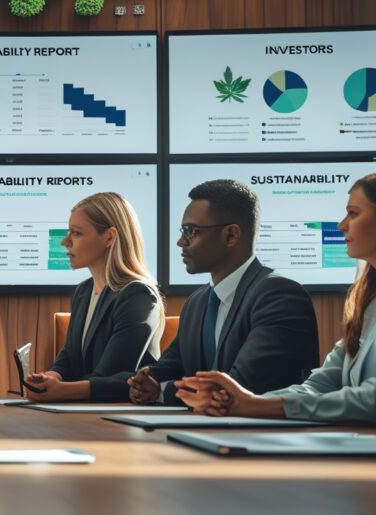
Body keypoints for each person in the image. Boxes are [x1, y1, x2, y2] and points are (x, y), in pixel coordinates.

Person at [175, 174, 376, 422]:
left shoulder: (276, 293)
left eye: (353, 213)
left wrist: (255, 406)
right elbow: (320, 384)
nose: (341, 225)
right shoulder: (366, 305)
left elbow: (370, 399)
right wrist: (250, 403)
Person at [128, 179, 319, 405]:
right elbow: (169, 368)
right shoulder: (196, 302)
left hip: (265, 435)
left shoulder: (279, 296)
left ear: (231, 235)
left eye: (191, 231)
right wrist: (146, 380)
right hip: (208, 430)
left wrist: (160, 391)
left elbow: (240, 386)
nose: (181, 242)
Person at [25, 192, 163, 402]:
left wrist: (60, 391)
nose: (65, 241)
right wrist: (51, 377)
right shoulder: (84, 291)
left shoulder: (138, 295)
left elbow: (113, 376)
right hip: (85, 411)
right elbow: (69, 358)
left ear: (109, 237)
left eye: (77, 233)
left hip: (120, 415)